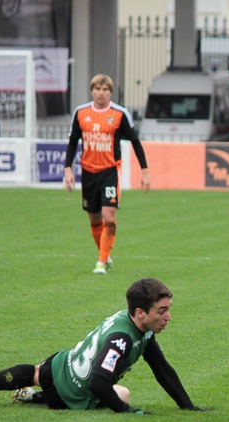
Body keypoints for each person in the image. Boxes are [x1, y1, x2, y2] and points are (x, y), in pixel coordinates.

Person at [0, 278, 204, 414]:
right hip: (69, 394)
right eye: (162, 311)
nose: (168, 316)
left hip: (58, 364)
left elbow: (161, 367)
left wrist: (188, 406)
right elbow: (98, 383)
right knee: (122, 394)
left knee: (35, 372)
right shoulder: (121, 339)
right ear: (141, 312)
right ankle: (39, 398)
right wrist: (131, 413)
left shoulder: (132, 323)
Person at [63, 74, 151, 275]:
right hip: (88, 173)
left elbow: (135, 142)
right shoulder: (81, 113)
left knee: (108, 216)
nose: (101, 93)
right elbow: (73, 142)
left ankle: (101, 262)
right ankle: (105, 254)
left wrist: (145, 171)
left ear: (110, 93)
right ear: (92, 91)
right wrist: (68, 169)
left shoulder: (119, 114)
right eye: (98, 89)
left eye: (105, 90)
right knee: (94, 218)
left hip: (110, 172)